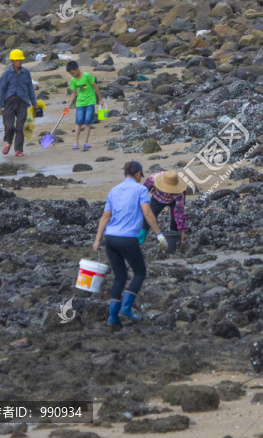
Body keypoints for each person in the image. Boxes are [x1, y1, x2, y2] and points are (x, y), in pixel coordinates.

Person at [93, 162, 168, 329]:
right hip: (127, 238)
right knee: (140, 273)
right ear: (138, 173)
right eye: (141, 175)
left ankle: (113, 317)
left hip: (110, 238)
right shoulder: (140, 190)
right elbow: (147, 212)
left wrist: (97, 239)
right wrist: (159, 234)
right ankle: (126, 308)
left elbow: (106, 216)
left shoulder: (114, 190)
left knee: (120, 276)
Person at [0, 49, 36, 157]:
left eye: (20, 59)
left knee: (20, 127)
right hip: (9, 102)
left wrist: (34, 102)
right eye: (16, 60)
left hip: (22, 102)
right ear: (12, 60)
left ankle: (18, 150)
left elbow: (30, 88)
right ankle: (8, 143)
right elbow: (1, 89)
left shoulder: (26, 72)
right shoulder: (6, 74)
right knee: (9, 126)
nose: (19, 61)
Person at [139, 170, 188, 251]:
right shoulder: (153, 179)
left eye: (170, 190)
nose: (167, 192)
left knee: (175, 221)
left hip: (173, 201)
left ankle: (172, 243)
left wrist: (183, 231)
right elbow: (142, 193)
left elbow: (179, 212)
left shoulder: (179, 193)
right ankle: (137, 242)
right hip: (157, 199)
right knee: (147, 220)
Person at [67, 61, 103, 150]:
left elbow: (96, 86)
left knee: (87, 121)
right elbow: (73, 93)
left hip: (90, 101)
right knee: (78, 122)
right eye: (70, 74)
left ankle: (86, 142)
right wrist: (68, 105)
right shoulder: (73, 80)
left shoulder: (87, 76)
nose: (72, 75)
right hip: (80, 103)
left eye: (73, 73)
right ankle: (76, 142)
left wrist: (100, 99)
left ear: (77, 69)